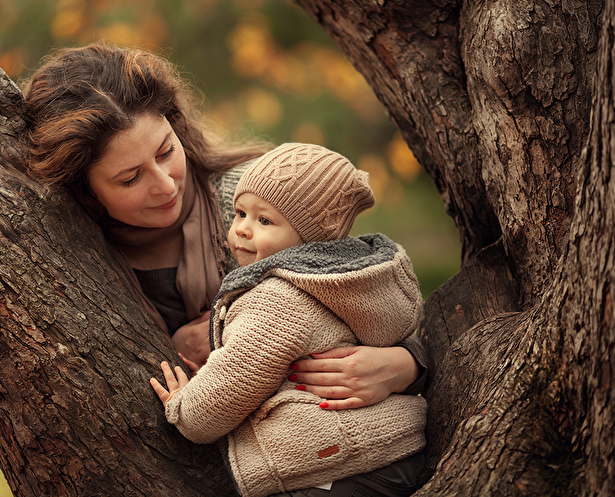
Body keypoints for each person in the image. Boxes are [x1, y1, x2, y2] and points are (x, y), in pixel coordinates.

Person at [23, 41, 427, 410]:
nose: (165, 185)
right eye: (130, 179)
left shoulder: (261, 198)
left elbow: (372, 292)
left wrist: (404, 364)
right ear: (86, 190)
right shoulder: (74, 259)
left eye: (166, 151)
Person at [150, 143, 427, 497]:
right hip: (386, 447)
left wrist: (185, 408)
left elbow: (233, 383)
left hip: (332, 464)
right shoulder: (348, 282)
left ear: (309, 235)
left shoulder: (278, 299)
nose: (244, 230)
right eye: (239, 214)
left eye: (264, 220)